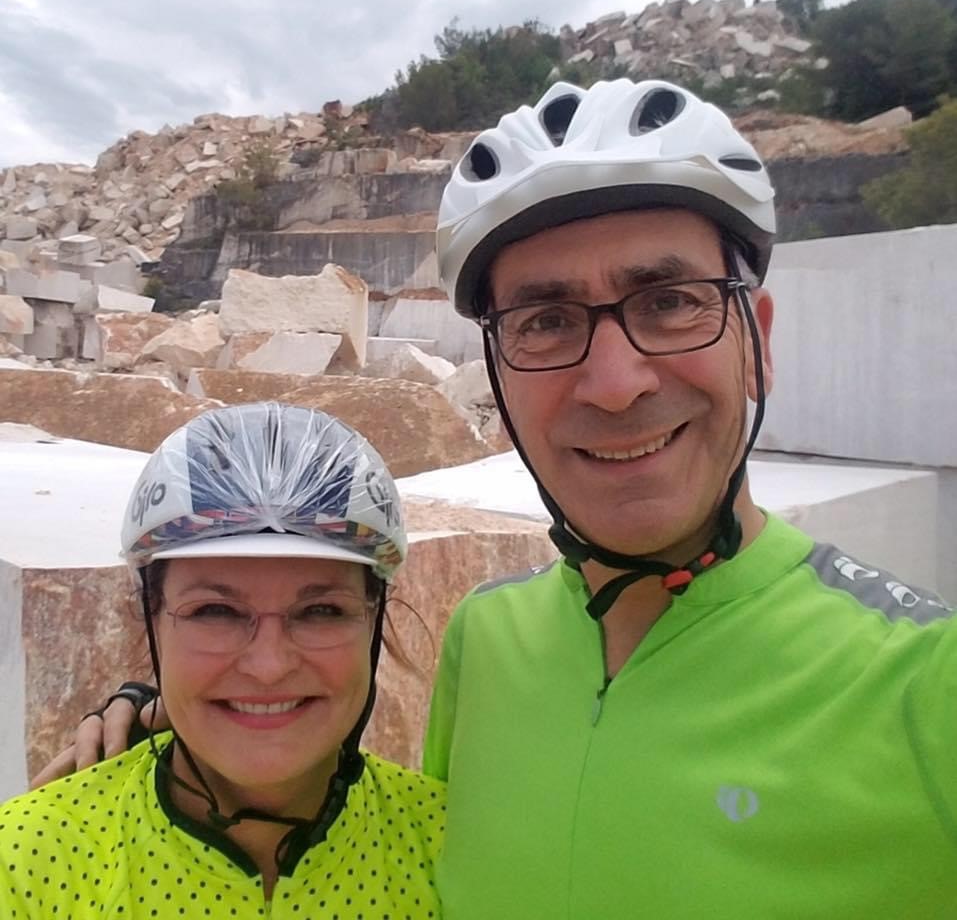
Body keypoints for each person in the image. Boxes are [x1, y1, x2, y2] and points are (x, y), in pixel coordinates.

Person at [36, 79, 957, 917]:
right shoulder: (488, 639)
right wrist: (176, 714)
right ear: (500, 375)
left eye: (670, 300)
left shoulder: (924, 682)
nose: (613, 381)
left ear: (755, 335)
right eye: (546, 321)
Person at [1, 402, 444, 917]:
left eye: (321, 611)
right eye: (215, 611)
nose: (269, 665)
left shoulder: (456, 850)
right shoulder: (29, 865)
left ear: (375, 620)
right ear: (150, 618)